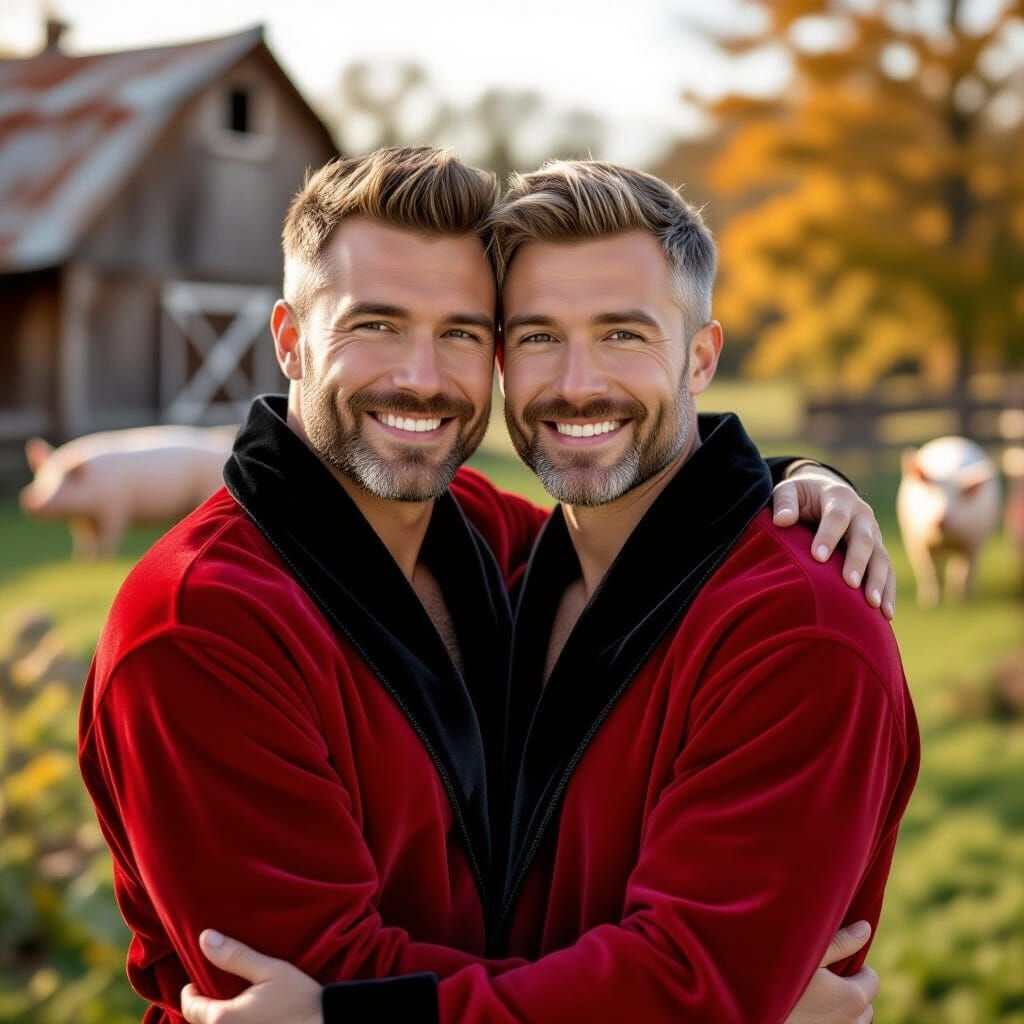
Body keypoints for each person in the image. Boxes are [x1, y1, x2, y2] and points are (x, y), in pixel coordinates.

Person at [78, 148, 892, 1024]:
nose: (422, 376)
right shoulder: (197, 628)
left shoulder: (490, 535)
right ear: (290, 342)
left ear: (699, 359)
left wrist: (794, 481)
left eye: (461, 331)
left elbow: (693, 983)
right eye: (376, 324)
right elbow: (300, 977)